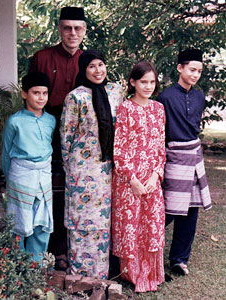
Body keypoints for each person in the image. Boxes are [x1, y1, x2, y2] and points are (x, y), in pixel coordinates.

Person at [29, 7, 87, 267]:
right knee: (47, 188)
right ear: (59, 29)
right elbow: (31, 98)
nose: (72, 33)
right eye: (67, 27)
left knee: (73, 189)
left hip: (81, 134)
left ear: (84, 30)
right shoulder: (42, 58)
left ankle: (67, 249)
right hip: (47, 129)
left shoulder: (90, 61)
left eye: (77, 28)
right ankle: (44, 247)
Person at [60, 49, 124, 279]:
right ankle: (79, 275)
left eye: (101, 64)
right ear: (83, 70)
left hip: (107, 169)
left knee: (102, 222)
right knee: (80, 222)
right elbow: (66, 136)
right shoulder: (75, 97)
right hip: (81, 171)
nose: (98, 71)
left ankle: (100, 277)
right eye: (91, 66)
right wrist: (71, 168)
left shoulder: (116, 92)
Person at [112, 61, 166, 292]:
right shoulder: (124, 108)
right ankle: (132, 274)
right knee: (131, 225)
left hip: (152, 178)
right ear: (133, 82)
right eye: (143, 82)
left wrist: (156, 175)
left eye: (152, 82)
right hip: (129, 179)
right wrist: (131, 180)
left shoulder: (158, 108)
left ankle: (151, 273)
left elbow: (160, 147)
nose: (148, 86)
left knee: (151, 224)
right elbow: (118, 148)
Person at [157, 49, 212, 276]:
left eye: (199, 70)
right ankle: (144, 250)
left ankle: (179, 259)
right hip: (174, 156)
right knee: (168, 209)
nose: (196, 74)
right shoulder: (165, 98)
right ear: (180, 68)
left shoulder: (200, 97)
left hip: (195, 155)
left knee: (191, 209)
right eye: (192, 69)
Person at [2, 72, 56, 262]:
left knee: (42, 221)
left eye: (44, 93)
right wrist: (10, 182)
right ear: (24, 94)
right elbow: (6, 153)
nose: (41, 97)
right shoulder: (14, 121)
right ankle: (17, 267)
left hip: (44, 174)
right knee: (19, 221)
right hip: (21, 175)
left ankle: (37, 267)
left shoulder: (50, 120)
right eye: (36, 93)